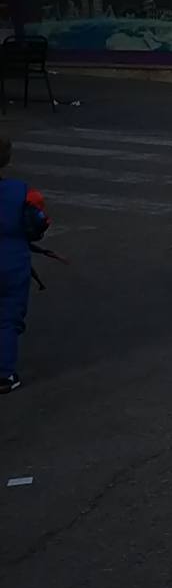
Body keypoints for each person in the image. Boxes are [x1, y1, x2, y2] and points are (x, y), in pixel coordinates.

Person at [0, 136, 50, 395]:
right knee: (7, 318)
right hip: (11, 261)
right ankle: (4, 374)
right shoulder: (21, 191)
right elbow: (39, 223)